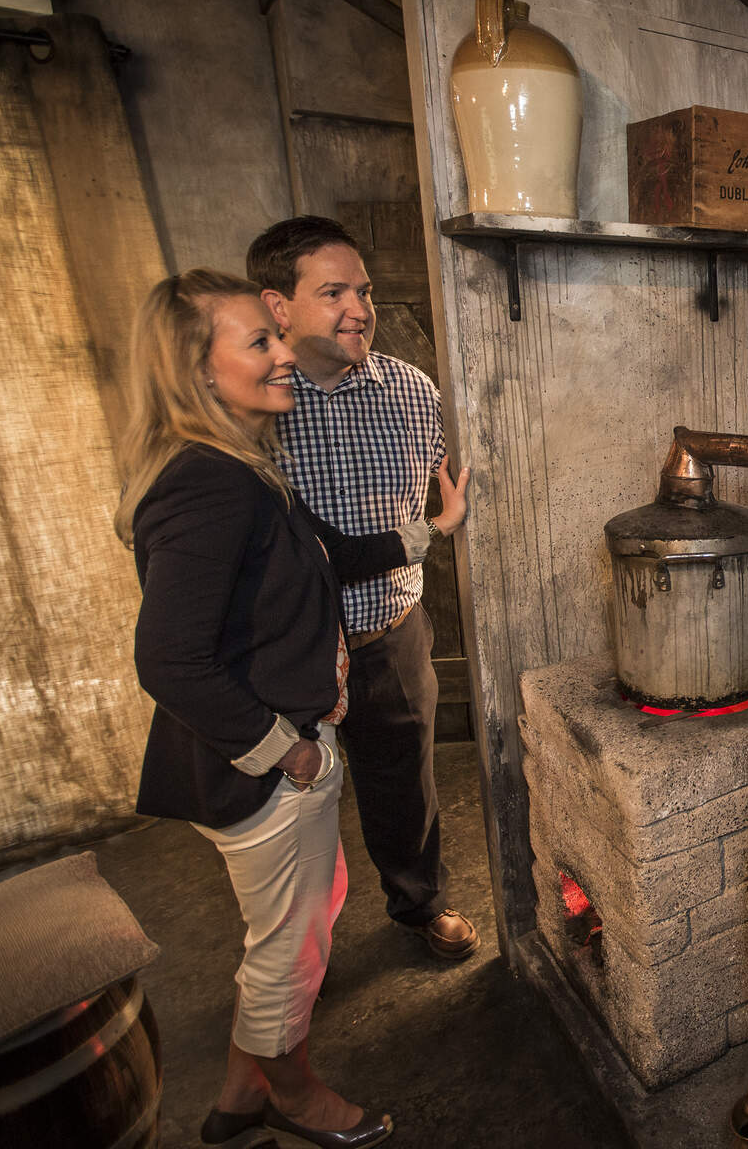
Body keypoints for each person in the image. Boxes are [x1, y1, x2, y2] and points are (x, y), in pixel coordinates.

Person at [116, 269, 469, 1149]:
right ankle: (296, 1097)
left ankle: (241, 1093)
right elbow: (168, 660)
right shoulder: (209, 483)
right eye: (260, 341)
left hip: (283, 748)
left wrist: (431, 528)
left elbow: (327, 553)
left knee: (301, 913)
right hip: (267, 763)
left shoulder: (238, 464)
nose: (283, 353)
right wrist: (286, 748)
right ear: (197, 369)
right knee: (289, 947)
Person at [246, 217, 478, 960]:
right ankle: (293, 953)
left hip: (390, 630)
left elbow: (447, 484)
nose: (359, 309)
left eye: (366, 291)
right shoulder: (254, 405)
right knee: (288, 806)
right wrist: (432, 531)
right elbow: (300, 551)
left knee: (404, 783)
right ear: (278, 306)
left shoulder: (412, 391)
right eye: (334, 293)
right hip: (292, 648)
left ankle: (420, 903)